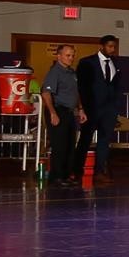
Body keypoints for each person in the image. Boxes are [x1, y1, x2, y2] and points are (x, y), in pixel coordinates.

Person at [73, 34, 122, 181]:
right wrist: (82, 107)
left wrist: (116, 106)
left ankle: (99, 171)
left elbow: (116, 86)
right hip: (92, 107)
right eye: (109, 46)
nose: (112, 49)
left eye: (114, 46)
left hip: (109, 109)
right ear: (101, 46)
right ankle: (77, 171)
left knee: (104, 140)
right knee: (85, 140)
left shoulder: (116, 63)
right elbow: (81, 86)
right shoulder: (87, 62)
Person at [40, 44, 81, 186]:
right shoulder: (55, 72)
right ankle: (56, 176)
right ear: (59, 56)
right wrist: (52, 113)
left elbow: (76, 93)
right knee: (60, 145)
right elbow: (46, 93)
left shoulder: (72, 73)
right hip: (58, 110)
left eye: (72, 55)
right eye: (68, 55)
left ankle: (66, 175)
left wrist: (80, 109)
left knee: (70, 145)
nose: (71, 58)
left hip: (69, 112)